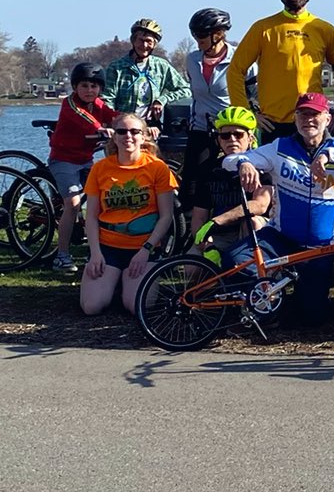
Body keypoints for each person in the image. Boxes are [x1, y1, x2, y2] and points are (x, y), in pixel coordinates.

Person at [223, 92, 334, 325]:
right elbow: (228, 161)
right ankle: (269, 299)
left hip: (320, 248)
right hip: (281, 238)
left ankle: (287, 298)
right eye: (303, 114)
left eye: (315, 114)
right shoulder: (279, 147)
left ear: (327, 118)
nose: (309, 120)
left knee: (311, 317)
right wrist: (244, 163)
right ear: (295, 118)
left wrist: (327, 154)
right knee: (235, 260)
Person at [229, 0, 334, 139]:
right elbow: (235, 70)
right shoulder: (263, 28)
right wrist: (247, 114)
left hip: (313, 121)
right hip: (273, 124)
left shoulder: (325, 29)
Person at [80, 111, 178, 316]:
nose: (128, 136)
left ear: (143, 136)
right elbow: (90, 216)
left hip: (144, 246)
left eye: (134, 131)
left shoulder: (158, 168)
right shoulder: (100, 168)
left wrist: (146, 250)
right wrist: (95, 253)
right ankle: (113, 281)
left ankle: (126, 282)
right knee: (91, 307)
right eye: (122, 131)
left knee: (137, 307)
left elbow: (166, 216)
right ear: (114, 137)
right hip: (108, 247)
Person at [45, 61, 113, 271]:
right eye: (84, 86)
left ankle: (99, 251)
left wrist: (136, 125)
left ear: (100, 88)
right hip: (64, 160)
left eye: (94, 86)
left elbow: (115, 115)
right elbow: (86, 120)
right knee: (73, 204)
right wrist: (102, 129)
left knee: (105, 198)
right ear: (75, 87)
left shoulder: (99, 104)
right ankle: (62, 256)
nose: (89, 90)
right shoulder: (70, 103)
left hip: (85, 160)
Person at [181, 6, 239, 237]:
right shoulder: (192, 59)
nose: (198, 40)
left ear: (219, 34)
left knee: (230, 183)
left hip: (230, 131)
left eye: (202, 35)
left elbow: (253, 95)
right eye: (195, 35)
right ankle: (191, 235)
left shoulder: (239, 58)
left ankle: (230, 231)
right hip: (201, 130)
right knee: (192, 185)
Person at [192, 105, 274, 259]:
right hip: (221, 234)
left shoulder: (263, 166)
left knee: (252, 222)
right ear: (218, 140)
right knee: (191, 270)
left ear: (250, 138)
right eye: (225, 136)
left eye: (238, 134)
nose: (232, 140)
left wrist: (218, 220)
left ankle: (252, 273)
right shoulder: (208, 169)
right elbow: (199, 217)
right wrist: (206, 245)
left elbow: (260, 205)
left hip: (254, 230)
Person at [102, 18, 191, 122]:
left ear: (155, 44)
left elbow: (185, 90)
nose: (144, 45)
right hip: (124, 126)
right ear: (133, 41)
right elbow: (107, 99)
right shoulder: (116, 67)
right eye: (141, 40)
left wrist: (162, 100)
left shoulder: (161, 66)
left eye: (149, 41)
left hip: (150, 126)